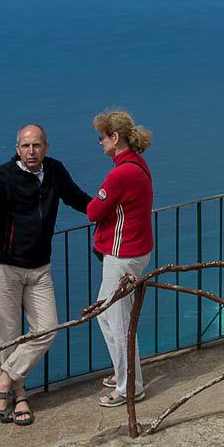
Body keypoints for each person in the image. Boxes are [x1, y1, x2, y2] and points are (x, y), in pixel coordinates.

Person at [0, 124, 93, 426]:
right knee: (8, 336)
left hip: (39, 267)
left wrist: (106, 210)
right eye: (25, 146)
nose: (31, 151)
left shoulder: (55, 171)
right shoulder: (3, 175)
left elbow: (77, 198)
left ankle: (3, 383)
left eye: (36, 145)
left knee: (47, 328)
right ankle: (16, 396)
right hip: (4, 265)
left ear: (46, 147)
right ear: (17, 148)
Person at [86, 109, 154, 408]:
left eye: (101, 137)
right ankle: (122, 372)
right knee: (106, 314)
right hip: (135, 250)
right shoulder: (138, 164)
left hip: (122, 255)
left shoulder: (120, 173)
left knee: (118, 320)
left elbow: (93, 211)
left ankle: (130, 388)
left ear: (115, 138)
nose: (99, 143)